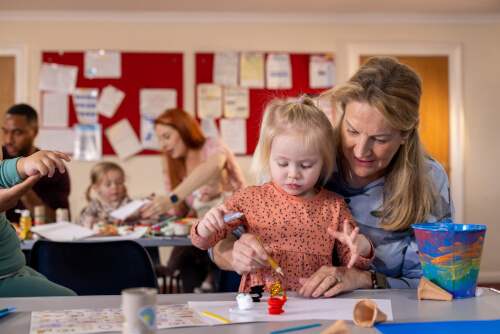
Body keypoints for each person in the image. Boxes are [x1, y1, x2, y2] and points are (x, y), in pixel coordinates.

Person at [210, 56, 455, 298]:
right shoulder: (304, 156)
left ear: (407, 133)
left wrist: (363, 279)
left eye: (380, 139)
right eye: (352, 130)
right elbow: (220, 244)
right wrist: (235, 256)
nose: (360, 151)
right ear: (341, 115)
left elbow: (433, 284)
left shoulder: (429, 179)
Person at [191, 96, 374, 292]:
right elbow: (204, 242)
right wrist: (205, 227)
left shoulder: (335, 206)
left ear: (324, 162)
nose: (293, 174)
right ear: (267, 156)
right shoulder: (249, 199)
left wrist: (362, 247)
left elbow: (351, 265)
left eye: (306, 165)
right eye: (282, 163)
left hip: (313, 304)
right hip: (261, 305)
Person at [140, 108, 247, 293]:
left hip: (231, 233)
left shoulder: (212, 145)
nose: (163, 144)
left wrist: (173, 197)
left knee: (213, 257)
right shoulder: (173, 166)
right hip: (200, 237)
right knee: (188, 264)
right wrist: (156, 205)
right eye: (160, 139)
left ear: (183, 129)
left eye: (166, 136)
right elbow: (178, 212)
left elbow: (214, 164)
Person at [0, 149, 76, 297]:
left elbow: (2, 172)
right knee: (69, 302)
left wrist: (24, 164)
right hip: (3, 278)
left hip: (15, 269)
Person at [1, 103, 71, 223]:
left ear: (34, 131)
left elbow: (60, 221)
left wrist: (23, 188)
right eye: (5, 131)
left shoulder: (52, 167)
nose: (8, 140)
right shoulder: (1, 156)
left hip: (36, 239)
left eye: (17, 133)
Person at [188, 169, 232, 293]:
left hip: (217, 237)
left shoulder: (225, 198)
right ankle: (171, 266)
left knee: (212, 254)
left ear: (222, 184)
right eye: (202, 184)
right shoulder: (198, 199)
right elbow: (190, 214)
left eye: (211, 185)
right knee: (188, 255)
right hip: (198, 236)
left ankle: (208, 280)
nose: (205, 188)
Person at [75, 162, 133, 228]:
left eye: (118, 183)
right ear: (96, 188)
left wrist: (129, 218)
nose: (114, 187)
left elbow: (138, 216)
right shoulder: (95, 204)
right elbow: (79, 220)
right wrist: (95, 220)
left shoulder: (126, 201)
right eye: (108, 184)